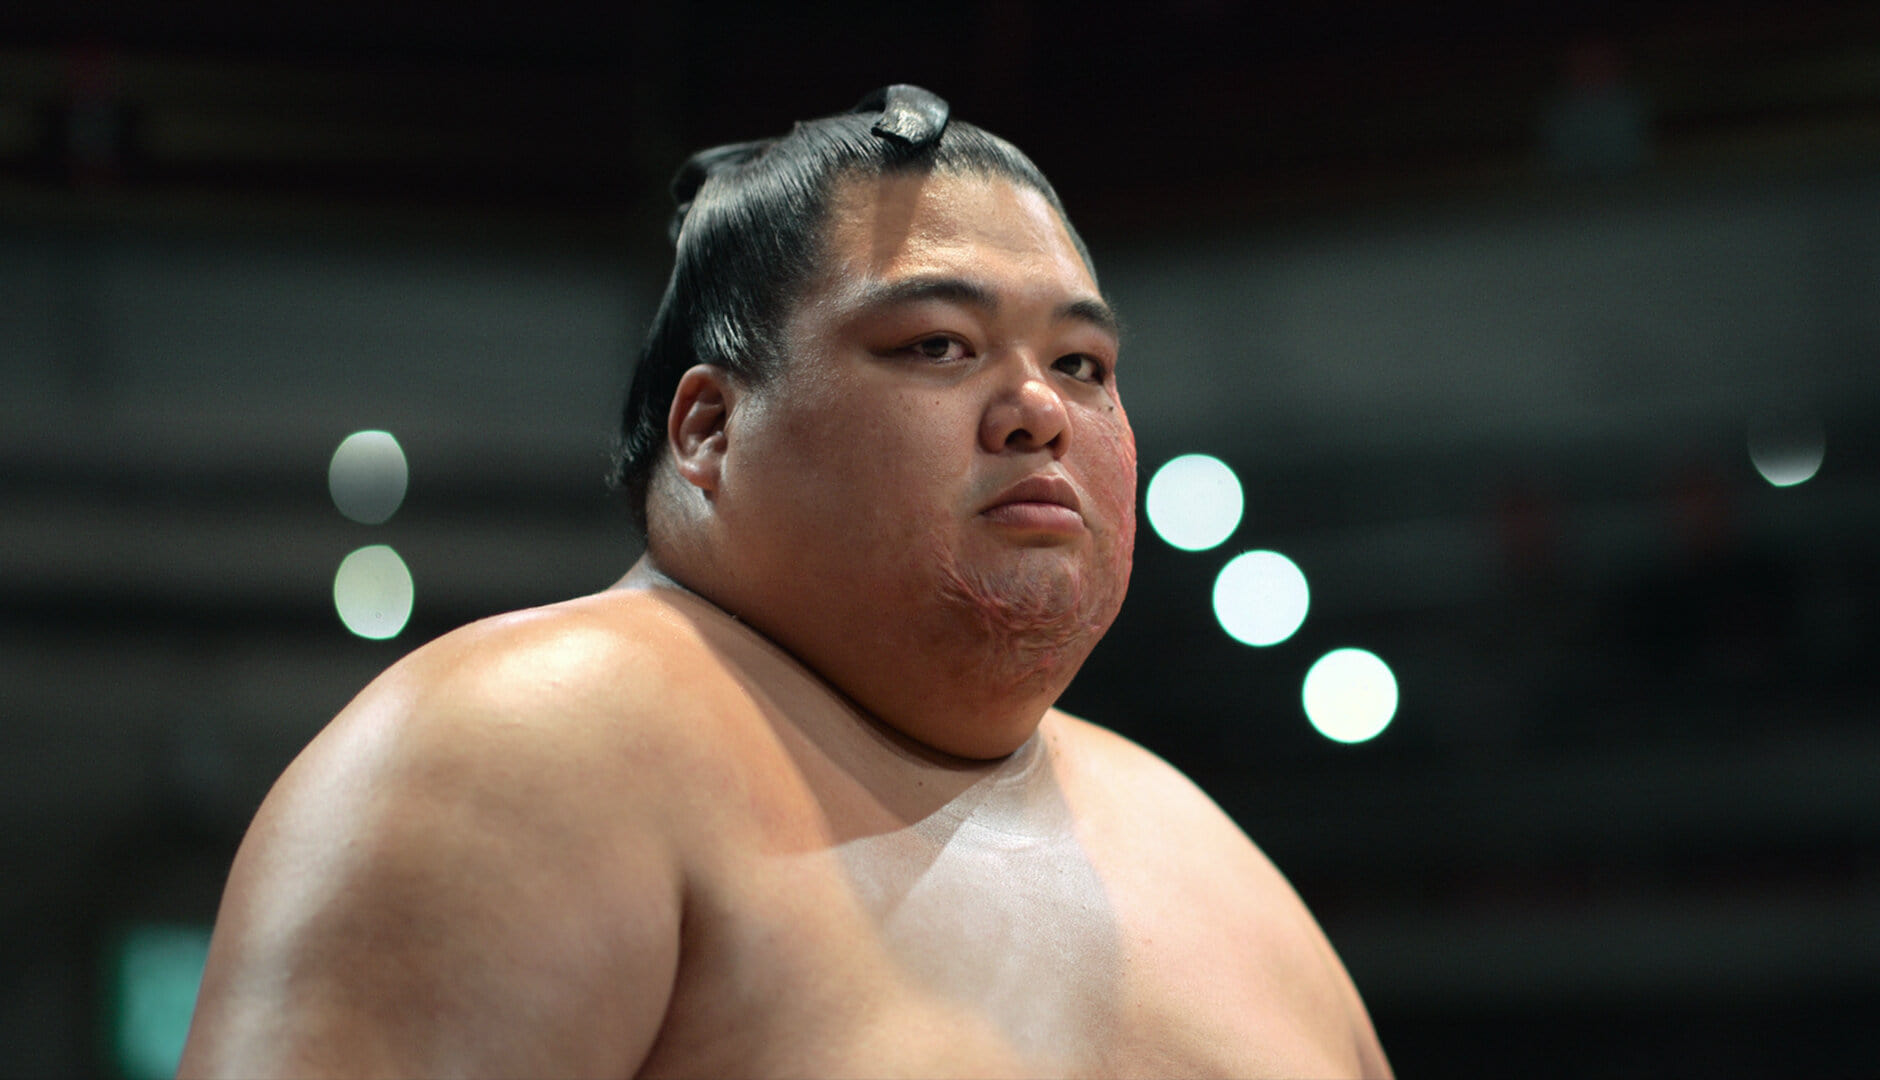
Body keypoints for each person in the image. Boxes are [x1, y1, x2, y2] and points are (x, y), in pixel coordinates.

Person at [178, 85, 1392, 1079]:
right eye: (936, 345)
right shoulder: (529, 743)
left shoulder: (1214, 865)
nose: (1037, 409)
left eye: (1082, 363)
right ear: (708, 430)